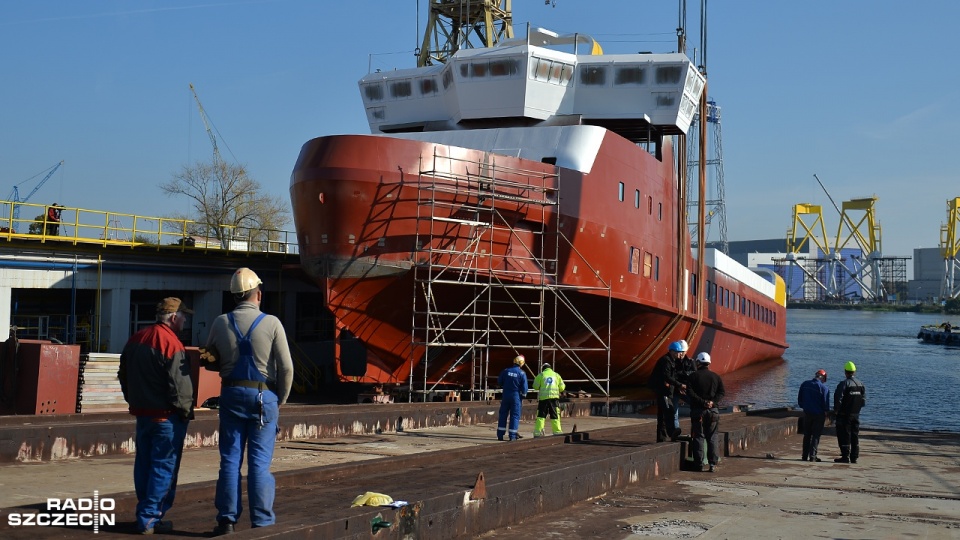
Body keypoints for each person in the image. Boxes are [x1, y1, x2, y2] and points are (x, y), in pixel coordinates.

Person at [204, 267, 294, 535]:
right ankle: (262, 522)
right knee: (259, 463)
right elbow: (287, 368)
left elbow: (209, 356)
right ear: (259, 294)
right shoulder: (272, 323)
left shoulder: (221, 322)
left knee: (230, 460)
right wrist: (280, 399)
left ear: (235, 296)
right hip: (262, 396)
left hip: (231, 394)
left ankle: (227, 520)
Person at [117, 297, 195, 535]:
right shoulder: (172, 344)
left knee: (144, 465)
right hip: (167, 418)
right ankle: (150, 518)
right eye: (183, 317)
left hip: (143, 416)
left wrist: (134, 401)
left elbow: (123, 375)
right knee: (164, 468)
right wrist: (185, 412)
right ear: (173, 318)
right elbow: (181, 387)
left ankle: (146, 513)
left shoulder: (136, 339)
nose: (185, 321)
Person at [685, 352, 726, 472]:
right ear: (709, 363)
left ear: (698, 362)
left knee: (698, 437)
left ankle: (699, 464)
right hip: (713, 411)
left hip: (698, 411)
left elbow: (690, 393)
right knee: (712, 437)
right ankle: (712, 464)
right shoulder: (716, 377)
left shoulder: (692, 377)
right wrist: (712, 402)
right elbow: (722, 392)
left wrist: (703, 402)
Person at [649, 341, 685, 442]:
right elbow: (667, 376)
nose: (680, 354)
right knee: (669, 410)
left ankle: (662, 437)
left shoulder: (671, 361)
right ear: (673, 352)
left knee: (662, 414)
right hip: (663, 391)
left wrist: (677, 387)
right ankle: (672, 432)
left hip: (665, 391)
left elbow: (671, 377)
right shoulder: (666, 361)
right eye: (679, 352)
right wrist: (680, 385)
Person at [833, 361, 866, 464]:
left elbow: (838, 398)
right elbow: (863, 400)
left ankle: (845, 456)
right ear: (854, 371)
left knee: (844, 435)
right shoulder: (860, 384)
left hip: (844, 415)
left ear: (845, 372)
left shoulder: (844, 384)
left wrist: (836, 410)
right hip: (856, 415)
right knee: (854, 435)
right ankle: (854, 456)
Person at [797, 369, 830, 462]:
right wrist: (826, 412)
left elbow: (800, 399)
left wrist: (804, 407)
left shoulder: (804, 384)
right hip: (819, 415)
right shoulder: (824, 388)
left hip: (807, 413)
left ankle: (804, 456)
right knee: (816, 435)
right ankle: (813, 456)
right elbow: (825, 404)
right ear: (823, 378)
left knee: (807, 435)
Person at [497, 354, 528, 441]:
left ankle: (500, 435)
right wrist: (523, 395)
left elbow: (499, 381)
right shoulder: (522, 373)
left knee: (503, 414)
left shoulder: (506, 371)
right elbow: (524, 388)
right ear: (522, 363)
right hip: (516, 396)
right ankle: (512, 436)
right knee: (514, 416)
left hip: (506, 395)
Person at [532, 362, 565, 437]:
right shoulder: (556, 375)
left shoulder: (541, 375)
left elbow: (535, 386)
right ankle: (557, 432)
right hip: (554, 399)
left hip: (543, 400)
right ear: (550, 368)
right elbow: (562, 388)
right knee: (555, 416)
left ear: (543, 369)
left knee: (541, 416)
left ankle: (538, 433)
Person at [672, 340, 696, 440]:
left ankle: (695, 430)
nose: (681, 354)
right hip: (676, 389)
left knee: (695, 407)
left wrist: (683, 382)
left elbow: (694, 375)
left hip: (686, 389)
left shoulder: (691, 362)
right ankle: (676, 431)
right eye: (680, 352)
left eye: (683, 352)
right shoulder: (673, 362)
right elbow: (671, 376)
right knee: (674, 412)